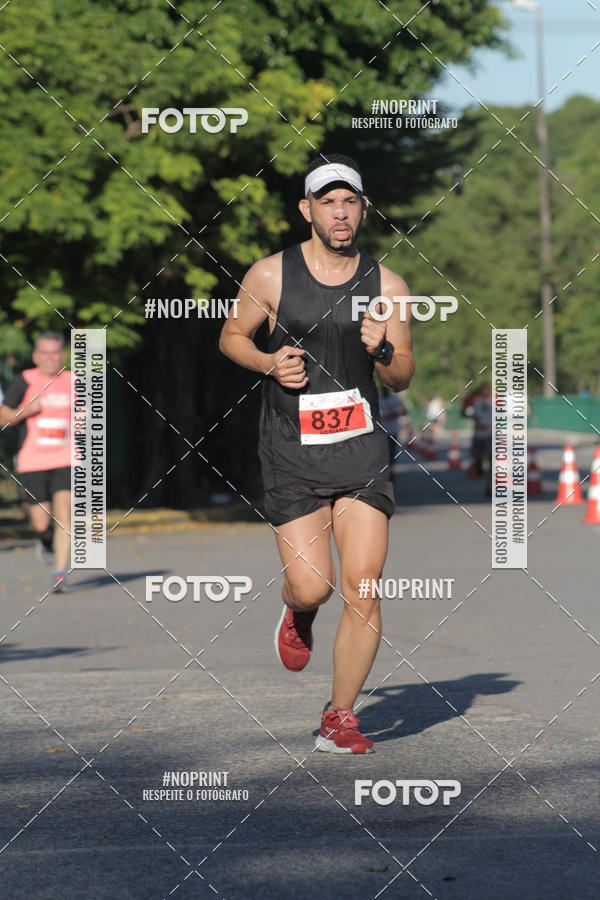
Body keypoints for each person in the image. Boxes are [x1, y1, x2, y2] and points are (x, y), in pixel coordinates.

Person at [219, 154, 414, 753]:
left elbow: (404, 376)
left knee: (363, 585)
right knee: (312, 587)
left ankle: (340, 715)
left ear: (362, 209)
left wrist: (384, 351)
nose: (340, 212)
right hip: (291, 448)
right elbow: (231, 336)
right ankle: (298, 614)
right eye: (327, 201)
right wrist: (267, 362)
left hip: (360, 449)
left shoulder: (389, 286)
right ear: (307, 210)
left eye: (349, 201)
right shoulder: (270, 276)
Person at [0, 332, 73, 591]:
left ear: (63, 356)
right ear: (36, 356)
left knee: (65, 513)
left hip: (67, 458)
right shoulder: (25, 380)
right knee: (40, 521)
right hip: (33, 460)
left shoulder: (74, 382)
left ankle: (59, 573)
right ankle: (45, 539)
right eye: (45, 353)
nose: (50, 358)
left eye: (55, 353)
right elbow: (3, 417)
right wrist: (26, 411)